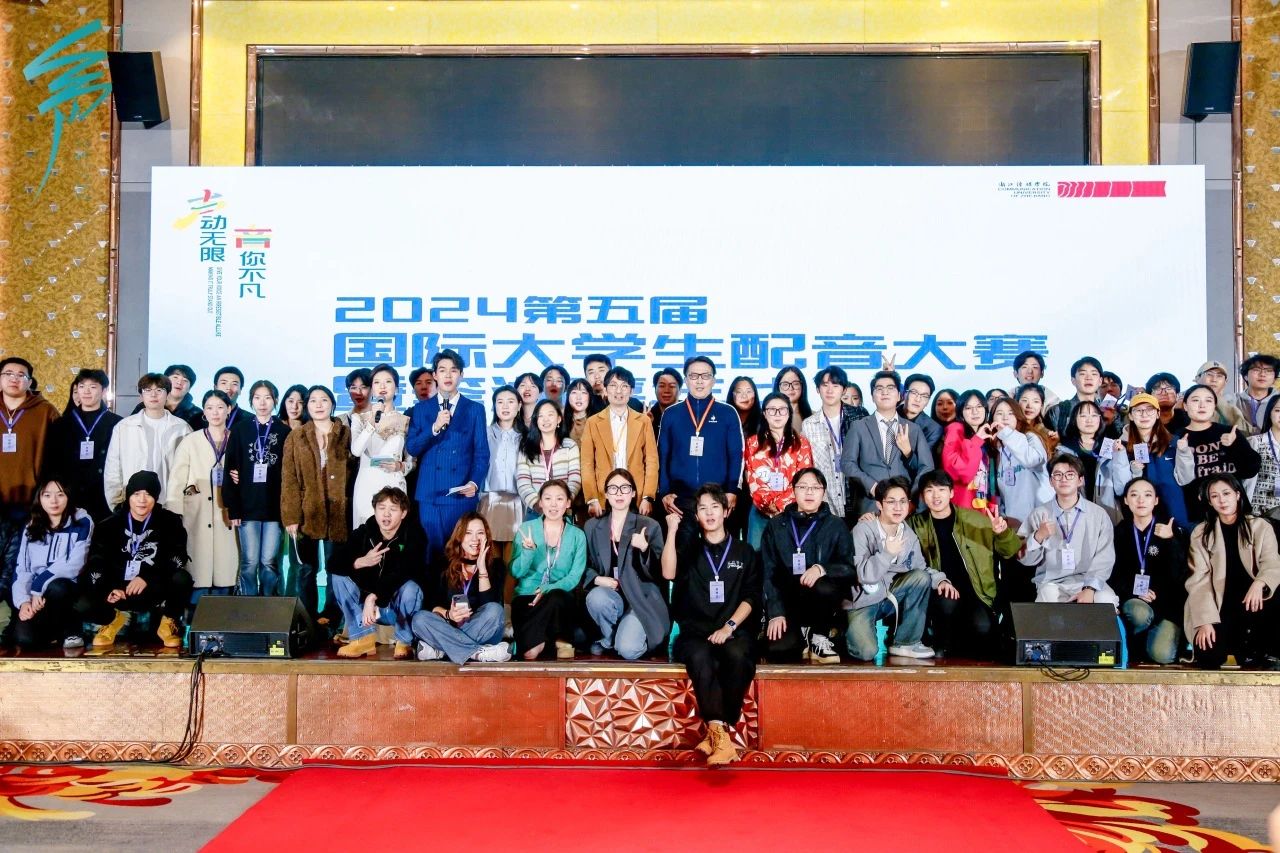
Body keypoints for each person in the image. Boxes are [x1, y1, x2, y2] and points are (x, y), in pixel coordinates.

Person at [661, 483, 761, 766]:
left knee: (738, 655)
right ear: (696, 515)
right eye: (702, 508)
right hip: (695, 632)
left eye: (715, 507)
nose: (709, 513)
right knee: (701, 656)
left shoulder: (744, 551)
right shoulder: (690, 547)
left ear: (726, 511)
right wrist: (672, 531)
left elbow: (752, 597)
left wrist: (729, 627)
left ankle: (715, 733)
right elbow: (668, 572)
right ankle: (721, 736)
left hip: (734, 629)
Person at [910, 470, 1021, 659]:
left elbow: (1009, 550)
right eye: (929, 491)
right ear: (922, 496)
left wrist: (1001, 533)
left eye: (941, 490)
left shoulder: (976, 521)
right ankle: (941, 649)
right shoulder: (914, 525)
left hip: (975, 591)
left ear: (951, 493)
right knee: (947, 606)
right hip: (938, 590)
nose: (936, 496)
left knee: (983, 628)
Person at [78, 471, 194, 649]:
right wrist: (108, 588)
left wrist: (147, 577)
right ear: (128, 496)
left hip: (153, 586)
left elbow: (178, 557)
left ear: (156, 497)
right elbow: (97, 561)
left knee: (182, 578)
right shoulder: (108, 525)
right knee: (83, 600)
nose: (142, 500)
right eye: (136, 494)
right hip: (119, 589)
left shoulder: (170, 522)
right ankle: (112, 620)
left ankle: (168, 624)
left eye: (148, 494)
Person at [848, 477, 957, 660]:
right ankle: (843, 629)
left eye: (903, 501)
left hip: (889, 597)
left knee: (921, 577)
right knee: (866, 652)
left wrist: (940, 580)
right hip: (863, 601)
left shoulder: (908, 534)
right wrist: (887, 554)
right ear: (879, 504)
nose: (898, 507)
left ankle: (906, 642)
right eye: (891, 502)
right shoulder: (863, 530)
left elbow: (921, 568)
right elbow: (862, 575)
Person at [1186, 474, 1280, 669]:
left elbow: (1272, 563)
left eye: (1226, 493)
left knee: (1257, 657)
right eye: (1215, 496)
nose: (1222, 500)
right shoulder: (1201, 533)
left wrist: (1260, 583)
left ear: (1237, 495)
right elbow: (1199, 580)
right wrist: (1205, 621)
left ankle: (1260, 650)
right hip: (1219, 605)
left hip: (1254, 602)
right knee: (1208, 656)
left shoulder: (1260, 526)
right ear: (1209, 502)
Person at [761, 468, 853, 664]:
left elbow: (849, 569)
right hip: (788, 602)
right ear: (793, 490)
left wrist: (821, 569)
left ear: (824, 492)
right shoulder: (776, 525)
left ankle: (819, 636)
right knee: (779, 651)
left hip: (821, 602)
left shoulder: (836, 525)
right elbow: (768, 572)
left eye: (815, 488)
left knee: (824, 585)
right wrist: (776, 612)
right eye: (803, 487)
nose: (809, 492)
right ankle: (802, 636)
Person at [405, 349, 490, 562]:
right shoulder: (421, 409)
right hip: (430, 494)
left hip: (460, 492)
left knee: (460, 552)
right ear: (435, 375)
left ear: (461, 374)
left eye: (453, 370)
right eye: (442, 370)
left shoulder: (475, 409)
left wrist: (474, 482)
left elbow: (481, 453)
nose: (448, 375)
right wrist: (434, 428)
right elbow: (412, 448)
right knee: (432, 553)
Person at [325, 486, 425, 659]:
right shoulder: (365, 532)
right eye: (381, 508)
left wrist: (372, 596)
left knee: (411, 588)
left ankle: (404, 641)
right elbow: (333, 563)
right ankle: (362, 638)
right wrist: (360, 562)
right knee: (339, 576)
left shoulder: (414, 535)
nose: (386, 514)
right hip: (367, 613)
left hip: (393, 609)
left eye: (393, 509)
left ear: (403, 513)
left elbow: (405, 571)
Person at [281, 385, 352, 625]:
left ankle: (332, 618)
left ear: (332, 404)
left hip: (339, 512)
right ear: (307, 406)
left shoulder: (345, 434)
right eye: (313, 400)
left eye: (324, 400)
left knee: (336, 568)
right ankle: (306, 618)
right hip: (306, 511)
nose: (319, 405)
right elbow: (289, 478)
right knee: (305, 568)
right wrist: (291, 516)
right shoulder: (297, 436)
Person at [658, 356, 745, 547]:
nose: (699, 381)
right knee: (683, 554)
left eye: (705, 376)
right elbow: (662, 456)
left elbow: (737, 455)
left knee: (719, 553)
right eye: (693, 376)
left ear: (714, 380)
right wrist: (664, 491)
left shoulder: (728, 413)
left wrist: (732, 490)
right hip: (681, 499)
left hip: (718, 498)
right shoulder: (671, 414)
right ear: (686, 380)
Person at [583, 468, 667, 659]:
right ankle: (610, 637)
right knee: (596, 598)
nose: (619, 493)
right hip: (611, 596)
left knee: (628, 650)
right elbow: (582, 565)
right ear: (606, 494)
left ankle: (621, 639)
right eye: (613, 488)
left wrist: (645, 549)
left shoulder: (649, 525)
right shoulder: (592, 526)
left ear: (634, 493)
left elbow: (661, 573)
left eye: (625, 488)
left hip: (641, 598)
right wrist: (597, 579)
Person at [0, 356, 60, 621]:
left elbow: (58, 458)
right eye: (8, 373)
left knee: (23, 562)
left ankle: (20, 617)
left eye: (21, 375)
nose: (14, 379)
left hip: (32, 502)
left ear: (30, 381)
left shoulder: (45, 411)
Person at [1018, 454, 1119, 605]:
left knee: (1107, 600)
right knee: (1048, 599)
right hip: (1052, 581)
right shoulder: (1039, 514)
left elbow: (1105, 556)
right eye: (1058, 475)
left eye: (1070, 474)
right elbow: (1025, 560)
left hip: (1088, 580)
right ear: (1051, 481)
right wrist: (1039, 536)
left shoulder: (1098, 514)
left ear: (1080, 480)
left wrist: (1089, 588)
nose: (1063, 479)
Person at [166, 390, 238, 598]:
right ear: (204, 412)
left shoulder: (237, 439)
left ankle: (223, 608)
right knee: (199, 566)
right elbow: (177, 479)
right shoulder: (191, 440)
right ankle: (195, 610)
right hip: (196, 513)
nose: (215, 412)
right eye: (209, 408)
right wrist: (175, 513)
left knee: (226, 567)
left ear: (228, 409)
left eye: (220, 407)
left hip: (227, 512)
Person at [411, 511, 510, 663]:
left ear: (487, 537)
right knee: (419, 619)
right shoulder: (442, 564)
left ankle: (442, 650)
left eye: (480, 533)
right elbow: (431, 605)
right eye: (468, 533)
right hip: (449, 626)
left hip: (483, 629)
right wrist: (449, 614)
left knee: (495, 610)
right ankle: (477, 653)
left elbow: (489, 605)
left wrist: (482, 568)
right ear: (459, 536)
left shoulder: (496, 566)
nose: (475, 539)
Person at [223, 380, 290, 596]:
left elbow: (290, 474)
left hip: (274, 509)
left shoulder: (284, 431)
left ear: (275, 401)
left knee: (269, 561)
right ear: (251, 400)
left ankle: (269, 605)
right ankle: (248, 605)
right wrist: (233, 509)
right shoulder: (240, 429)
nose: (262, 403)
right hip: (246, 507)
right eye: (257, 398)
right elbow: (230, 469)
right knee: (249, 562)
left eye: (267, 398)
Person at [510, 479, 587, 660]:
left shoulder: (577, 535)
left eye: (559, 499)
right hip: (527, 597)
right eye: (548, 498)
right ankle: (554, 641)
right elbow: (515, 572)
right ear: (540, 502)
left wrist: (547, 588)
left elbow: (574, 576)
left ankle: (552, 641)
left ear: (568, 503)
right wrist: (528, 552)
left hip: (559, 598)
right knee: (529, 654)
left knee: (556, 598)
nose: (553, 504)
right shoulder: (526, 529)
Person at [11, 479, 92, 649]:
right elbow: (23, 569)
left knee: (57, 587)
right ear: (39, 498)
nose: (53, 501)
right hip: (38, 597)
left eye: (60, 495)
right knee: (24, 639)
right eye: (47, 495)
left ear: (68, 497)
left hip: (70, 588)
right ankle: (56, 632)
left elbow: (74, 565)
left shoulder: (82, 522)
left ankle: (72, 630)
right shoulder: (31, 527)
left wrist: (38, 587)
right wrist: (24, 602)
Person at [1111, 478, 1185, 665]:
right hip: (1134, 600)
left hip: (1166, 605)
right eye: (1134, 495)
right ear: (1126, 500)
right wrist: (1134, 591)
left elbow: (1179, 574)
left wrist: (1171, 541)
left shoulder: (1169, 529)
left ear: (1156, 500)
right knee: (1139, 613)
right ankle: (1134, 645)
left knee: (1163, 655)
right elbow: (1113, 574)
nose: (1141, 500)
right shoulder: (1120, 532)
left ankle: (1152, 641)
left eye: (1147, 495)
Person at [840, 370, 934, 516]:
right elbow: (847, 463)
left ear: (899, 396)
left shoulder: (913, 429)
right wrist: (872, 487)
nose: (885, 392)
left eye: (890, 388)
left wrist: (911, 498)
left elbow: (927, 467)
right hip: (869, 507)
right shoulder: (858, 426)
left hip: (904, 508)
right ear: (872, 396)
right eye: (879, 388)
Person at [103, 373, 191, 512]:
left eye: (159, 390)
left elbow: (189, 470)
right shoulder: (124, 426)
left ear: (168, 394)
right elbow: (113, 468)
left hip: (169, 504)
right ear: (141, 396)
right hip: (133, 504)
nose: (153, 395)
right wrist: (116, 502)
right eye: (148, 390)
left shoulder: (182, 428)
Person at [1175, 384, 1262, 525]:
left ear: (1214, 405)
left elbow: (1250, 470)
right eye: (1195, 400)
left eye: (1208, 400)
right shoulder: (1177, 438)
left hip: (1236, 512)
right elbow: (1179, 480)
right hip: (1199, 516)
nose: (1202, 405)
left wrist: (1235, 445)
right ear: (1185, 405)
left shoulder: (1229, 432)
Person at [42, 368, 121, 523]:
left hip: (104, 494)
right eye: (82, 386)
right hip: (69, 494)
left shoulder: (117, 423)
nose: (86, 391)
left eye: (93, 387)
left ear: (104, 391)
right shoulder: (61, 424)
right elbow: (51, 462)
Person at [581, 367, 658, 520]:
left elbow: (651, 461)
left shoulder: (643, 421)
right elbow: (587, 463)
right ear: (605, 389)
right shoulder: (593, 422)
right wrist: (592, 498)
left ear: (632, 391)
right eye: (613, 385)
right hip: (604, 496)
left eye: (624, 386)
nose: (618, 391)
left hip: (636, 496)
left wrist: (647, 497)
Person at [743, 393, 813, 548]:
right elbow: (752, 477)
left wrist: (781, 505)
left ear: (789, 413)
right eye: (772, 409)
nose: (777, 414)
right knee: (756, 554)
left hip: (793, 510)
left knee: (789, 554)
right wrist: (768, 505)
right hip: (760, 510)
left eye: (782, 409)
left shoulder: (801, 443)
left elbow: (804, 479)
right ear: (764, 413)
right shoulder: (752, 443)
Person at [349, 364, 412, 527]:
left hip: (394, 483)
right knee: (366, 532)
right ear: (372, 389)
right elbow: (356, 451)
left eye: (388, 382)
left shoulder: (405, 421)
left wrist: (400, 466)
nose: (382, 386)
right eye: (377, 382)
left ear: (396, 389)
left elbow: (411, 460)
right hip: (367, 483)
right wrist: (371, 423)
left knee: (393, 532)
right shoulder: (359, 419)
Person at [800, 365, 861, 524]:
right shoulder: (809, 425)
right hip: (827, 503)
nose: (829, 390)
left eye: (835, 385)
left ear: (844, 390)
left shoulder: (858, 417)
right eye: (825, 385)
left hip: (857, 499)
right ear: (817, 389)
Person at [1058, 399, 1132, 522]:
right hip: (1073, 518)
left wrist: (1120, 455)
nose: (1089, 420)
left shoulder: (1111, 447)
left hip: (1107, 516)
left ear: (1100, 419)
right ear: (1074, 420)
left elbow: (1122, 488)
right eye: (1083, 416)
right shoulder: (1063, 451)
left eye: (1094, 415)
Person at [989, 397, 1053, 527]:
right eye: (999, 413)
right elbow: (1002, 492)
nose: (1005, 418)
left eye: (1011, 413)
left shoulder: (1030, 438)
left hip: (1041, 521)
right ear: (992, 419)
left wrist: (1007, 434)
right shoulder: (998, 450)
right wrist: (1004, 517)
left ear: (1018, 417)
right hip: (1015, 525)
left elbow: (1032, 460)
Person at [478, 386, 524, 558]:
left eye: (510, 402)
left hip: (517, 502)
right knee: (490, 556)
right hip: (489, 500)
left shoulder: (526, 436)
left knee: (513, 558)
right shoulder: (484, 433)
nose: (505, 406)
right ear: (494, 406)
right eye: (500, 402)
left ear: (519, 406)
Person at [516, 399, 582, 517]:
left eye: (550, 415)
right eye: (541, 416)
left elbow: (575, 478)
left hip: (563, 510)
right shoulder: (526, 447)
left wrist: (563, 502)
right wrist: (538, 505)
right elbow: (523, 481)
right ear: (536, 420)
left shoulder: (570, 446)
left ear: (559, 419)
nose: (545, 419)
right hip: (535, 511)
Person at [941, 390, 996, 512]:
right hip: (963, 507)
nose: (975, 412)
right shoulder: (956, 429)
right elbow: (961, 473)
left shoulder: (986, 435)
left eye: (979, 406)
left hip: (984, 507)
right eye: (968, 408)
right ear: (961, 412)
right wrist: (976, 441)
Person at [1045, 357, 1106, 437]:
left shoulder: (1106, 412)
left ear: (1100, 381)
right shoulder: (1059, 410)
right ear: (1073, 380)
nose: (1088, 378)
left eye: (1094, 374)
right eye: (1082, 374)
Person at [1245, 395, 1280, 517]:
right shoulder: (1254, 442)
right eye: (1278, 410)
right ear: (1269, 413)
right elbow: (1246, 481)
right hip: (1259, 512)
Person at [1231, 354, 1280, 434]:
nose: (1262, 374)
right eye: (1256, 370)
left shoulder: (1278, 401)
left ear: (1274, 379)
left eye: (1268, 371)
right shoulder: (1232, 401)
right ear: (1245, 376)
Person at [1196, 360, 1250, 431]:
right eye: (1209, 374)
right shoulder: (1186, 401)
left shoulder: (1235, 402)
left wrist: (1220, 402)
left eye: (1219, 376)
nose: (1214, 379)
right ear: (1197, 378)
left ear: (1225, 382)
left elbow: (1245, 432)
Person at [899, 373, 943, 448]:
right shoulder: (888, 415)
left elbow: (925, 455)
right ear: (904, 394)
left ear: (928, 401)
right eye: (914, 393)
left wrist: (908, 451)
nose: (918, 399)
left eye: (924, 396)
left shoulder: (933, 429)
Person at [199, 366, 249, 431]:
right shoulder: (196, 419)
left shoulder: (250, 420)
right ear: (215, 387)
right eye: (224, 383)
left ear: (240, 390)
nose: (228, 388)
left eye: (234, 384)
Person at [1015, 383, 1059, 455]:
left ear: (1041, 406)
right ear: (1017, 402)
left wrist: (1052, 444)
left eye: (1036, 401)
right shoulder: (1011, 427)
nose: (1029, 406)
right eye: (1025, 400)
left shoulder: (1045, 432)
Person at [772, 365, 813, 434]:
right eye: (785, 384)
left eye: (795, 384)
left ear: (802, 386)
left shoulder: (814, 416)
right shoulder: (768, 416)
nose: (790, 388)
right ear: (778, 388)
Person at [647, 368, 683, 437]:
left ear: (680, 390)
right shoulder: (647, 416)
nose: (666, 390)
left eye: (672, 386)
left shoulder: (691, 414)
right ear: (655, 389)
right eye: (662, 386)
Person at [726, 376, 762, 441]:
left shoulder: (764, 419)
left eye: (748, 391)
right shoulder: (723, 418)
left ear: (755, 394)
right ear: (732, 395)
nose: (744, 396)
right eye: (739, 392)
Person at [562, 378, 593, 446]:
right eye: (574, 392)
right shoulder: (560, 420)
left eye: (583, 393)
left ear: (590, 397)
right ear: (568, 397)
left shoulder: (597, 421)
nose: (578, 397)